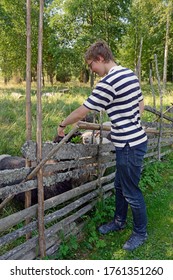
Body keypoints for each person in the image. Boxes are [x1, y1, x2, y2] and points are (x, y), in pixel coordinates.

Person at [57, 40, 148, 251]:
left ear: (100, 59)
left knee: (131, 191)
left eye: (91, 65)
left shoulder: (108, 82)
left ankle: (140, 233)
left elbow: (83, 111)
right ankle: (119, 221)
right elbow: (140, 103)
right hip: (131, 140)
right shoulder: (129, 74)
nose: (92, 71)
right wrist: (130, 121)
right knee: (120, 186)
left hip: (129, 144)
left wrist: (62, 124)